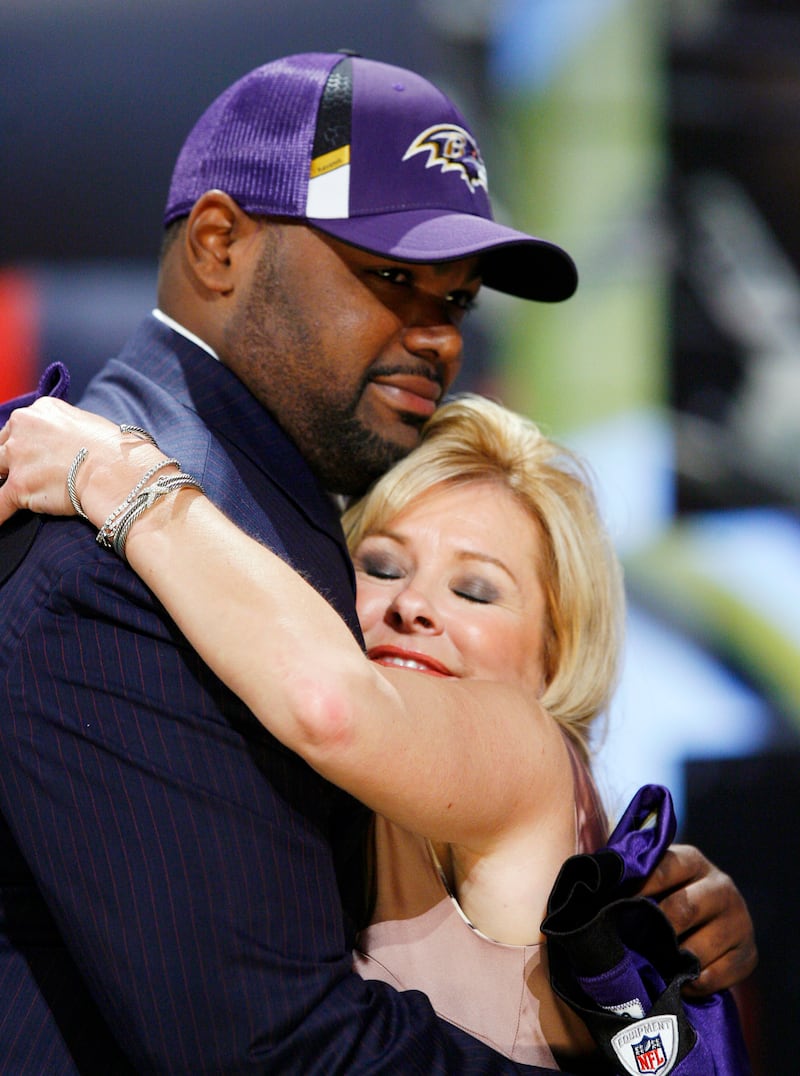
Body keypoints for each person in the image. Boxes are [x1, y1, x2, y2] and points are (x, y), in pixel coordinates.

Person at [0, 52, 755, 1074]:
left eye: (456, 300)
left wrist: (128, 483)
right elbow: (265, 1046)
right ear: (219, 244)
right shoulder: (138, 572)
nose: (435, 335)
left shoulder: (182, 520)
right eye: (391, 277)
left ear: (557, 641)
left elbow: (332, 704)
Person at [0, 393, 750, 1072]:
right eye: (381, 565)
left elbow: (332, 703)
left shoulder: (525, 745)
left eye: (476, 589)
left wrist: (112, 474)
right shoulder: (323, 809)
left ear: (556, 656)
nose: (414, 605)